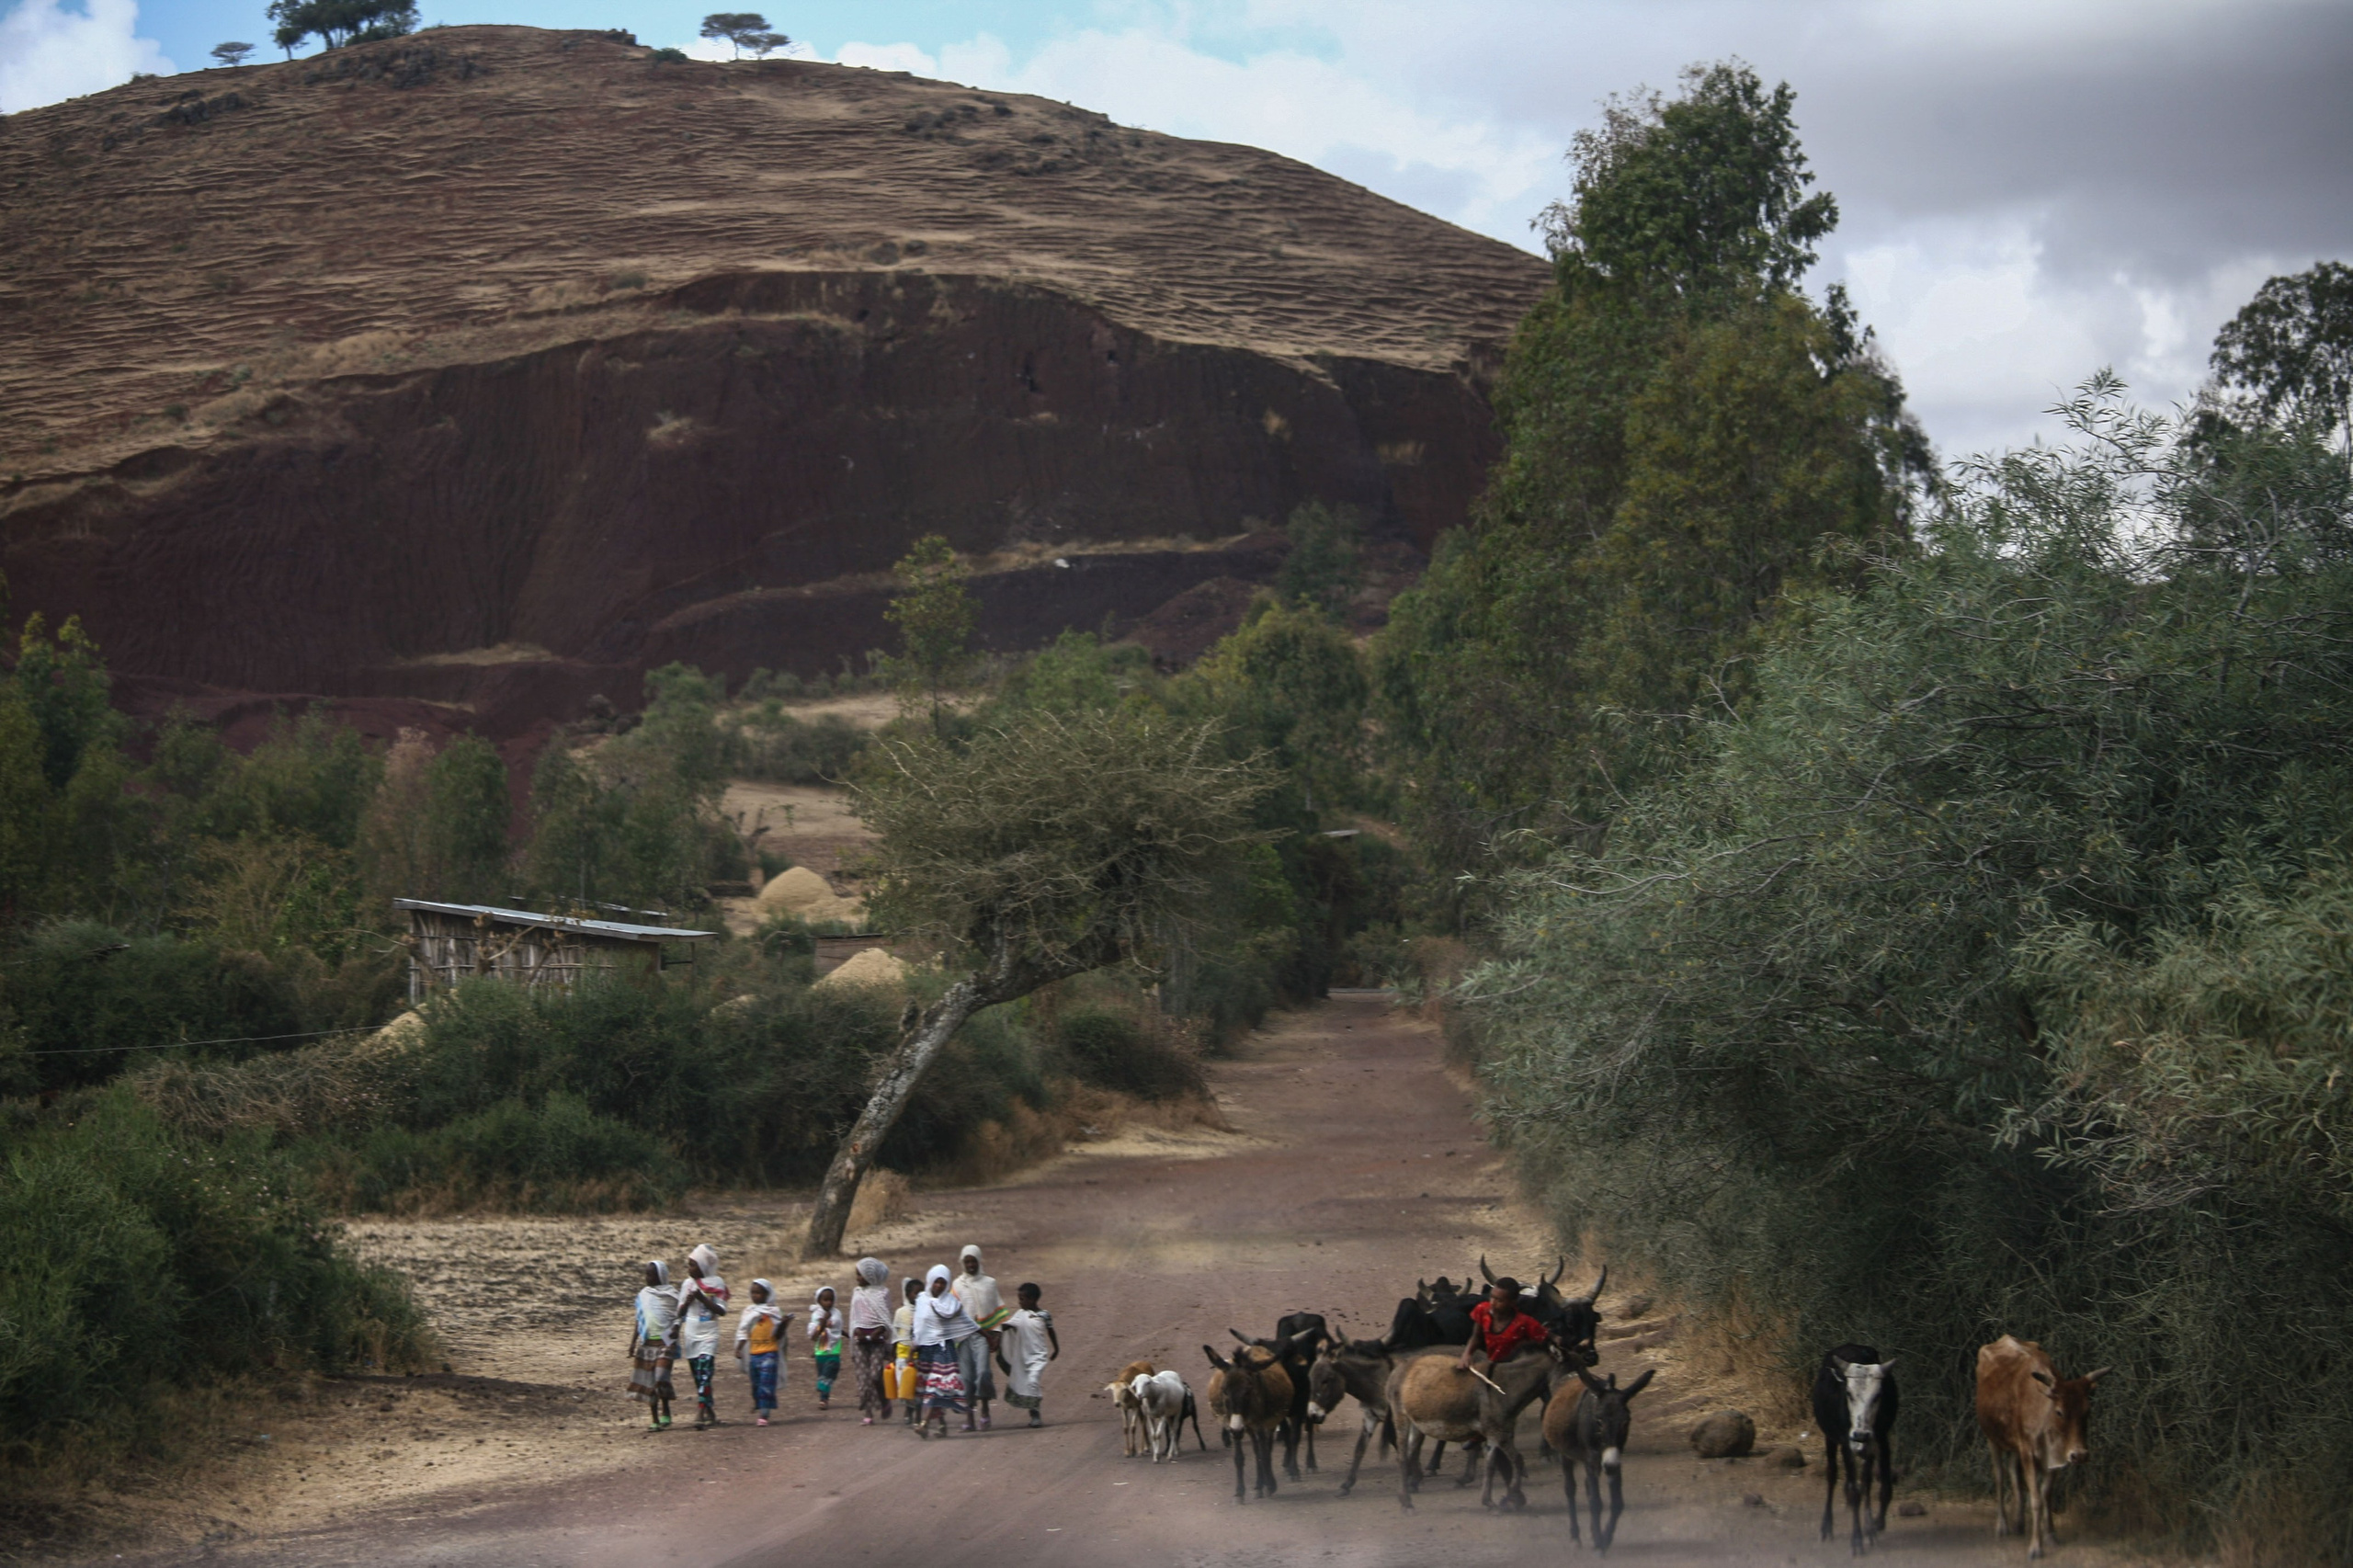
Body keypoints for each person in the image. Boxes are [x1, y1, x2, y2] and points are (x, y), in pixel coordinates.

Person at [910, 1263, 981, 1437]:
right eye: (937, 1282)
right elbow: (918, 1326)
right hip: (926, 1350)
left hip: (944, 1350)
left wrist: (987, 1336)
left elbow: (968, 1323)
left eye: (943, 1283)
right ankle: (942, 1425)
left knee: (936, 1387)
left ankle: (924, 1424)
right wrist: (913, 1348)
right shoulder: (921, 1300)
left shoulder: (951, 1304)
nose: (939, 1286)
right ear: (930, 1281)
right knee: (931, 1389)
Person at [949, 1244, 1007, 1428]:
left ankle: (984, 1408)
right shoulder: (957, 1285)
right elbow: (952, 1312)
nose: (971, 1265)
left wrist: (996, 1334)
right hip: (962, 1338)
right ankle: (969, 1418)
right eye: (967, 1261)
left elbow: (996, 1310)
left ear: (979, 1261)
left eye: (973, 1261)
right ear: (962, 1263)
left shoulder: (989, 1283)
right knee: (966, 1377)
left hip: (983, 1336)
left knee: (983, 1373)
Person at [676, 1244, 730, 1428]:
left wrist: (702, 1298)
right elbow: (680, 1312)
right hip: (691, 1333)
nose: (689, 1269)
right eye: (689, 1265)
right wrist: (687, 1302)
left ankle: (700, 1410)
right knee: (698, 1375)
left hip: (709, 1333)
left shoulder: (717, 1284)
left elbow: (721, 1311)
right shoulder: (687, 1284)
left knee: (706, 1371)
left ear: (703, 1266)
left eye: (693, 1264)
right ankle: (710, 1410)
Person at [995, 1281, 1059, 1427]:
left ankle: (1035, 1415)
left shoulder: (1044, 1315)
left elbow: (1051, 1331)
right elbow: (1008, 1326)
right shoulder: (1020, 1314)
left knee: (1033, 1381)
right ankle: (1033, 1413)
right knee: (1029, 1383)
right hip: (1024, 1356)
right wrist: (995, 1332)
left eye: (1022, 1299)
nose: (1019, 1302)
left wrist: (1056, 1349)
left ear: (1032, 1300)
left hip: (1039, 1356)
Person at [1456, 1276, 1548, 1373]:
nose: (1493, 1303)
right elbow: (1476, 1336)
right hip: (1491, 1363)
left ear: (1512, 1302)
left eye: (1499, 1300)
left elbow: (1546, 1337)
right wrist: (1466, 1354)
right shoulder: (1482, 1310)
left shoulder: (1524, 1322)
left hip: (1513, 1369)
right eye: (1492, 1297)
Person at [627, 1260, 679, 1430]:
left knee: (660, 1377)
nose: (647, 1277)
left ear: (660, 1276)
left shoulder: (672, 1295)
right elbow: (639, 1319)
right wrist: (633, 1342)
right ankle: (655, 1419)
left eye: (651, 1274)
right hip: (647, 1344)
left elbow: (679, 1314)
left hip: (666, 1343)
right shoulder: (643, 1295)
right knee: (649, 1382)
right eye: (646, 1274)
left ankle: (666, 1408)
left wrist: (676, 1328)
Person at [847, 1256, 895, 1426]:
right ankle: (868, 1413)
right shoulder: (857, 1293)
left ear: (870, 1275)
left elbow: (887, 1317)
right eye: (857, 1275)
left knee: (875, 1374)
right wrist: (856, 1331)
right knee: (863, 1377)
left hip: (877, 1340)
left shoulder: (883, 1293)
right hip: (860, 1341)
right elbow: (855, 1317)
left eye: (860, 1275)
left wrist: (880, 1331)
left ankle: (884, 1401)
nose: (857, 1278)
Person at [733, 1278, 786, 1426]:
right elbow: (743, 1332)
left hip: (770, 1352)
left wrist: (784, 1324)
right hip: (754, 1354)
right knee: (756, 1383)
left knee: (766, 1382)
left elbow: (779, 1335)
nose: (755, 1296)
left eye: (758, 1293)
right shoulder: (749, 1312)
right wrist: (738, 1348)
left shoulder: (774, 1312)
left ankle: (764, 1414)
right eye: (753, 1293)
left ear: (767, 1294)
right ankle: (759, 1403)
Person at [808, 1286, 845, 1411]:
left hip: (834, 1349)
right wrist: (822, 1323)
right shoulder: (816, 1315)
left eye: (831, 1300)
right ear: (819, 1301)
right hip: (820, 1351)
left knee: (833, 1368)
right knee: (823, 1375)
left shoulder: (836, 1313)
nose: (829, 1302)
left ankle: (821, 1387)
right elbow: (813, 1334)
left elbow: (837, 1326)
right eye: (825, 1300)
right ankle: (824, 1399)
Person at [892, 1276, 922, 1426]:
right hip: (902, 1354)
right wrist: (892, 1355)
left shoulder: (925, 1312)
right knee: (902, 1386)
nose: (918, 1296)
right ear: (908, 1294)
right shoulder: (900, 1312)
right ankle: (909, 1409)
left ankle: (917, 1414)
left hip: (919, 1355)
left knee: (916, 1385)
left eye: (922, 1293)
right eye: (916, 1293)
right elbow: (895, 1334)